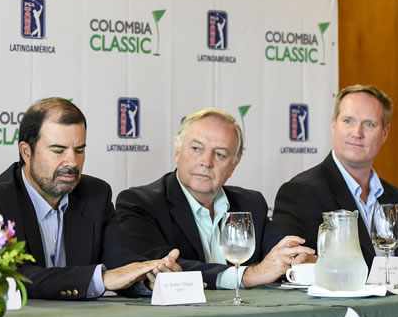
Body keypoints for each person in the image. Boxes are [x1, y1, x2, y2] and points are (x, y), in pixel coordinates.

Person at [0, 98, 179, 300]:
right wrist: (99, 279)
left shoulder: (96, 195)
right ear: (26, 152)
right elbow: (11, 278)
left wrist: (150, 277)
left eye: (80, 150)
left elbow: (119, 265)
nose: (72, 162)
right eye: (58, 150)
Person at [116, 108, 314, 289]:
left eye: (219, 154)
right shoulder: (140, 204)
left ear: (233, 165)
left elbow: (276, 258)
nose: (206, 162)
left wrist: (295, 259)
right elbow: (157, 266)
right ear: (178, 152)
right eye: (196, 149)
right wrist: (247, 276)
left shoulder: (251, 204)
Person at [272, 85, 398, 276]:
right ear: (334, 124)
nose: (357, 133)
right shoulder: (299, 193)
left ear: (385, 133)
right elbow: (295, 266)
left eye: (369, 124)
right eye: (348, 121)